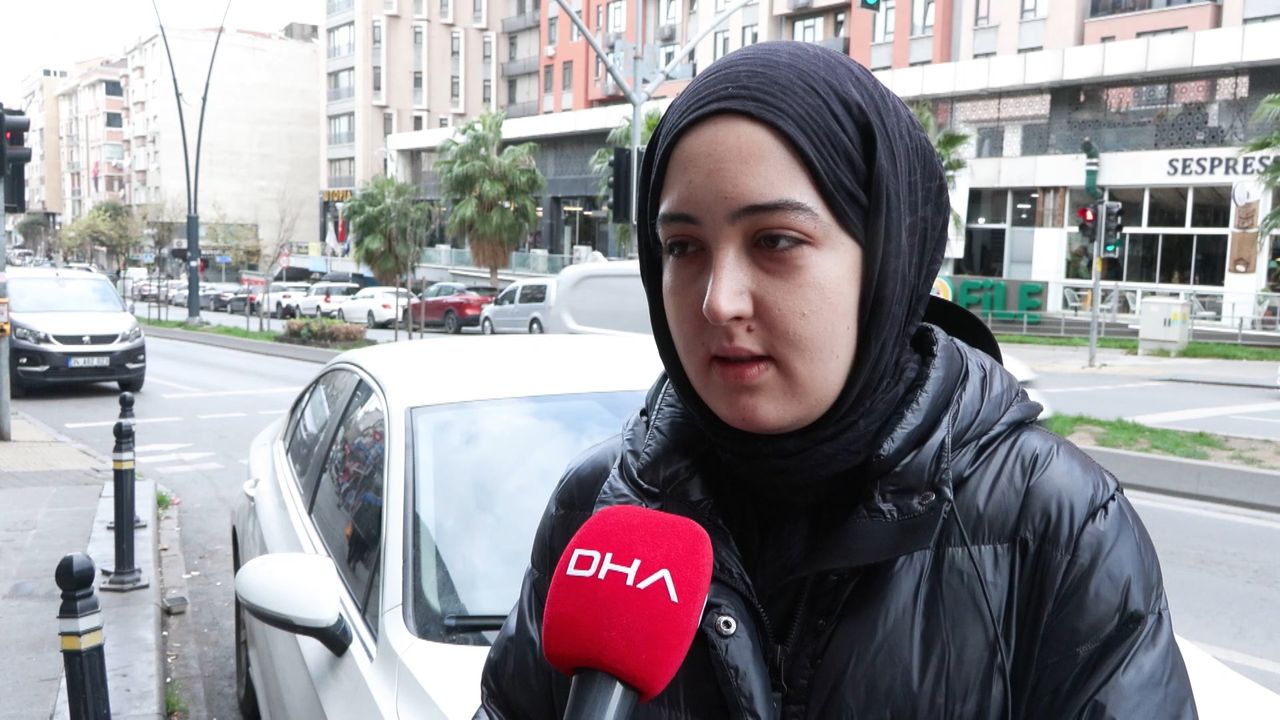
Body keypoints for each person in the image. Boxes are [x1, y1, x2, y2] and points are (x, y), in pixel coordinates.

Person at [480, 42, 1195, 718]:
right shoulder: (600, 508)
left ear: (885, 256)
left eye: (775, 241)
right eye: (684, 247)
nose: (718, 302)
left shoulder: (1058, 523)